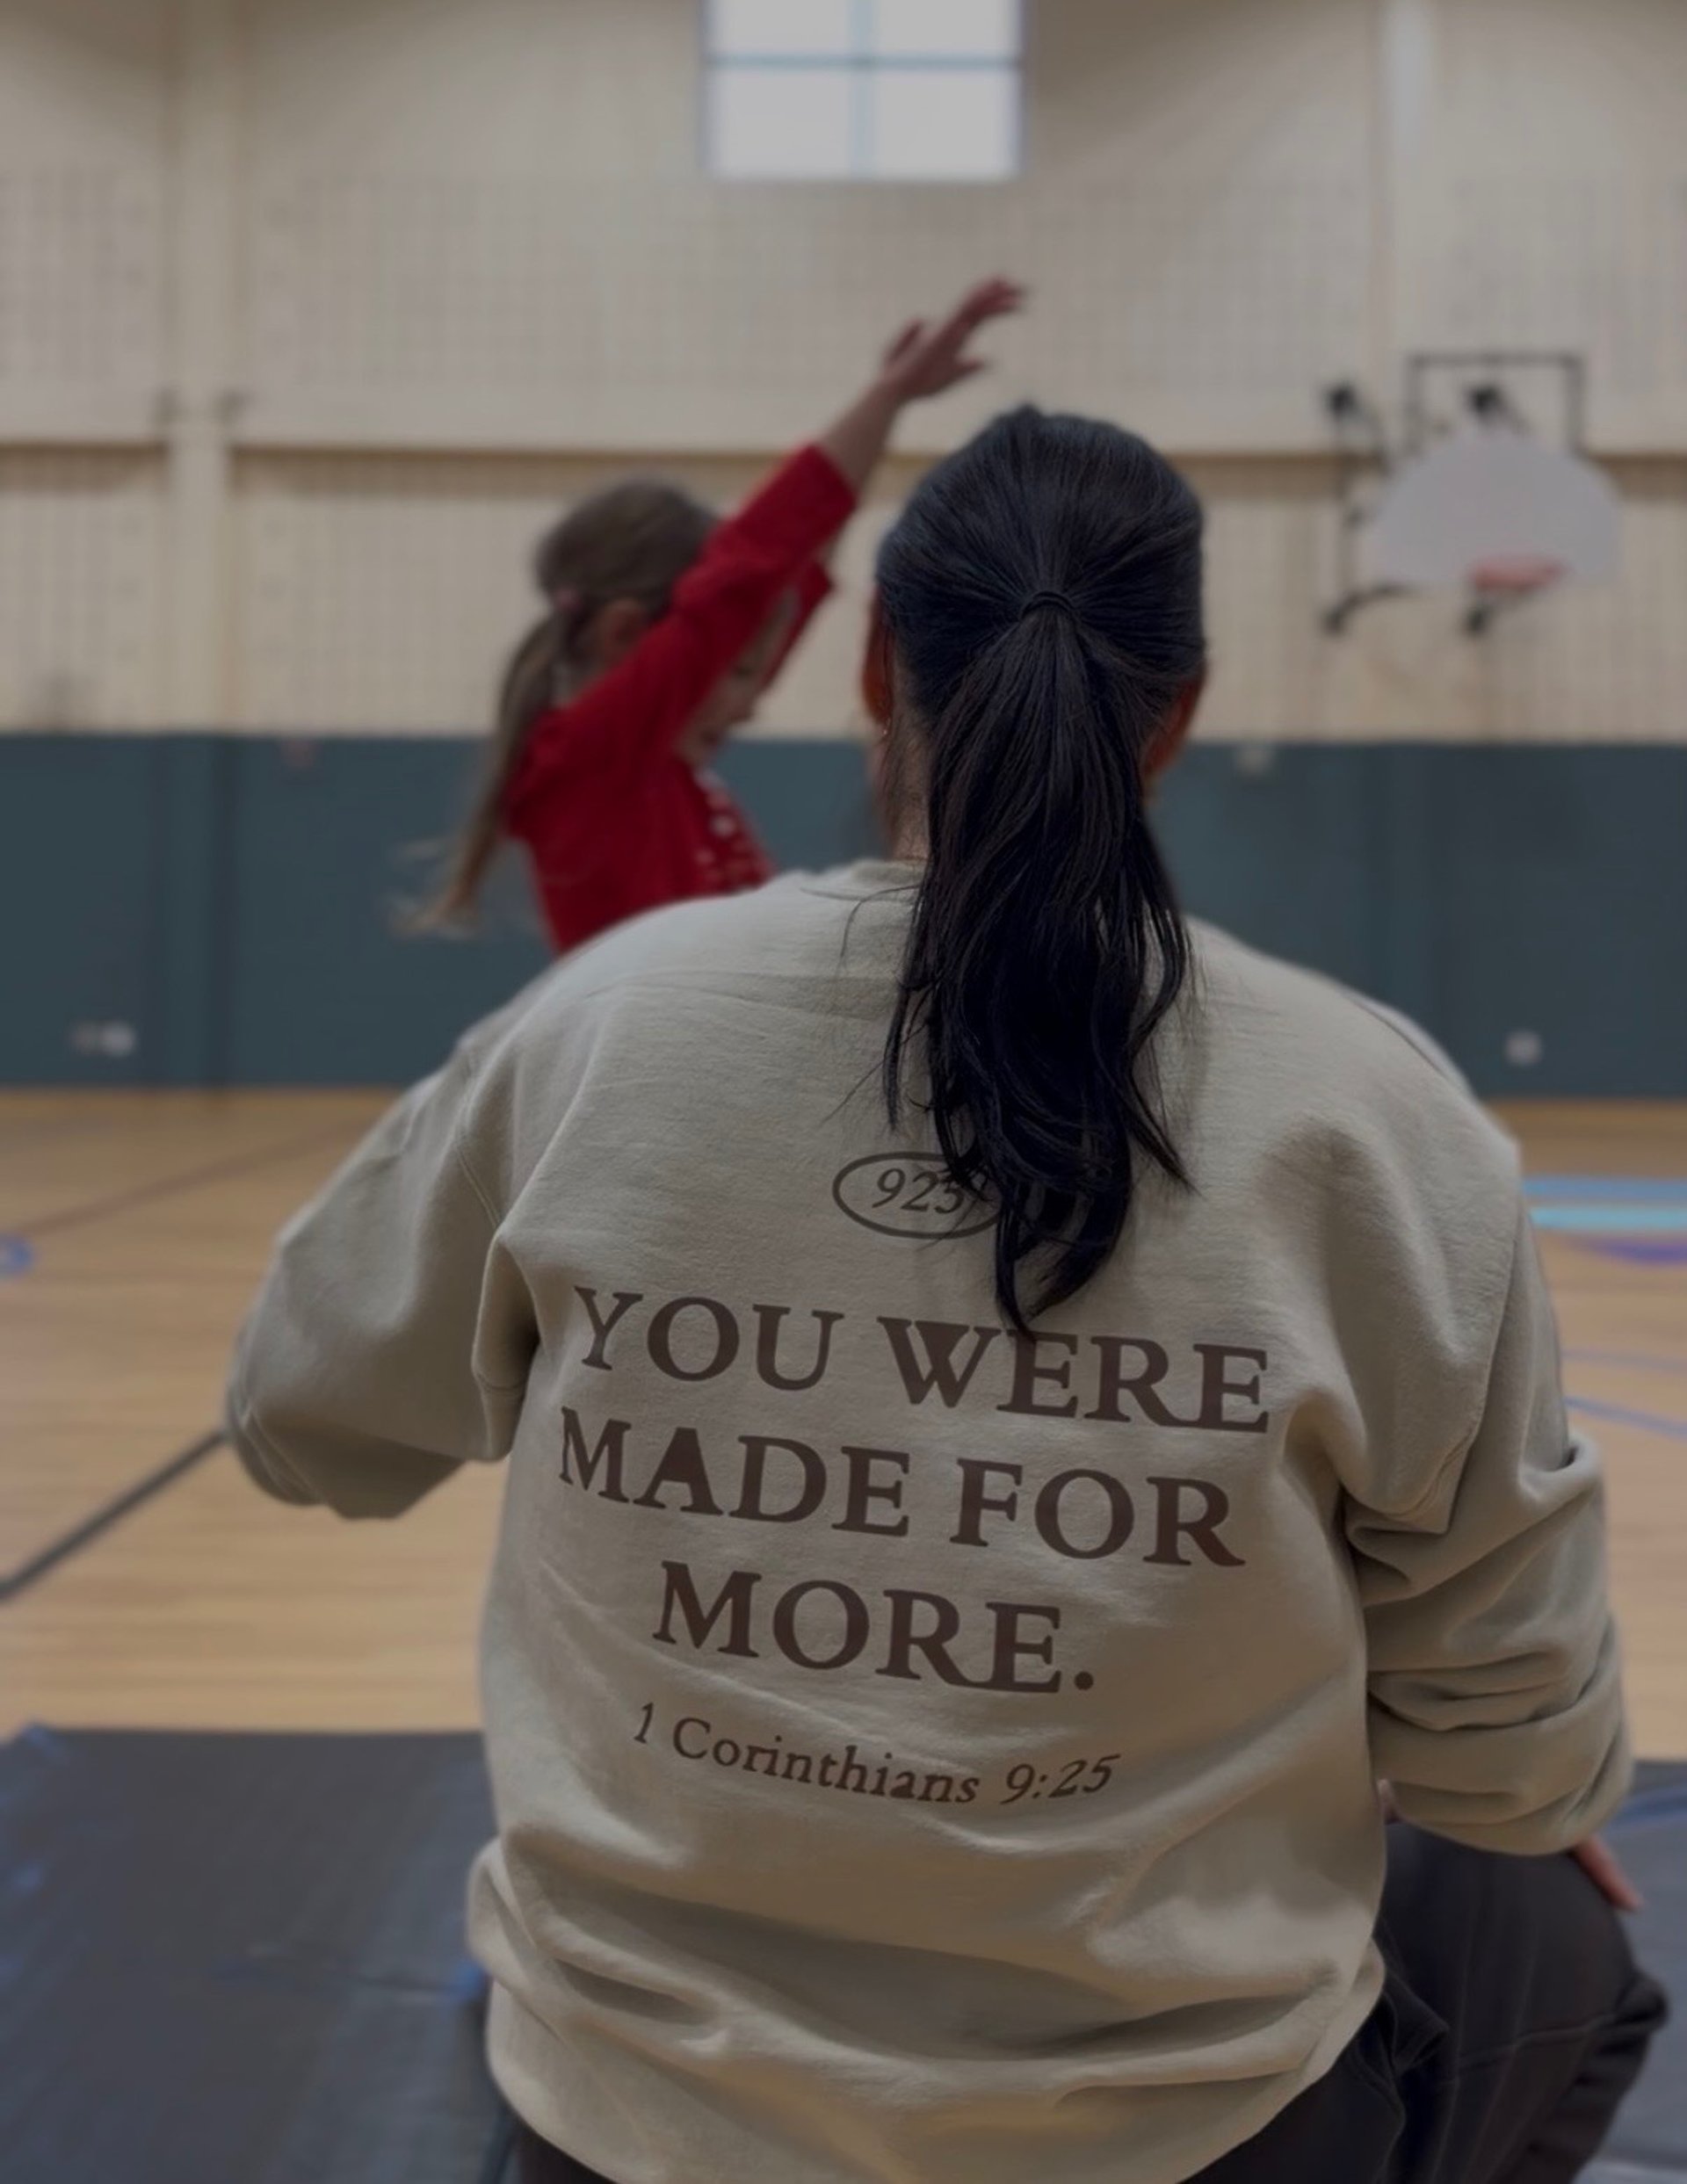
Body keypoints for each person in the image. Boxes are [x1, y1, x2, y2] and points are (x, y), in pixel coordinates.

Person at [228, 405, 1664, 2184]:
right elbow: (1517, 1774)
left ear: (878, 664)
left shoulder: (607, 1027)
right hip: (1179, 2128)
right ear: (1186, 707)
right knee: (1567, 1943)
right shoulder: (1380, 1118)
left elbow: (299, 1420)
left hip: (640, 2117)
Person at [430, 279, 1023, 954]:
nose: (750, 705)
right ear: (625, 635)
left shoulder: (660, 764)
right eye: (735, 669)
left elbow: (791, 573)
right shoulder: (583, 761)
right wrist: (884, 398)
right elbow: (753, 569)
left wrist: (891, 407)